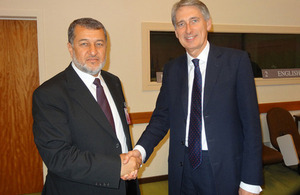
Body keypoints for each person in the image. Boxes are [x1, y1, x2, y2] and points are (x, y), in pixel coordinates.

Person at [124, 0, 263, 194]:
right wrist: (139, 152)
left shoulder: (236, 62)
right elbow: (161, 119)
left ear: (208, 23)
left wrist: (250, 182)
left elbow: (251, 126)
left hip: (224, 169)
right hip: (183, 168)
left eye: (194, 20)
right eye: (181, 24)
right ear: (176, 31)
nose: (188, 29)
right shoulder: (172, 70)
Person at [32, 17, 141, 195]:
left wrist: (130, 163)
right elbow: (59, 157)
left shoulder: (113, 82)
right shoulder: (50, 93)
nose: (93, 51)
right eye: (84, 44)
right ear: (70, 48)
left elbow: (117, 137)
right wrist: (116, 167)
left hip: (125, 186)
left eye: (99, 44)